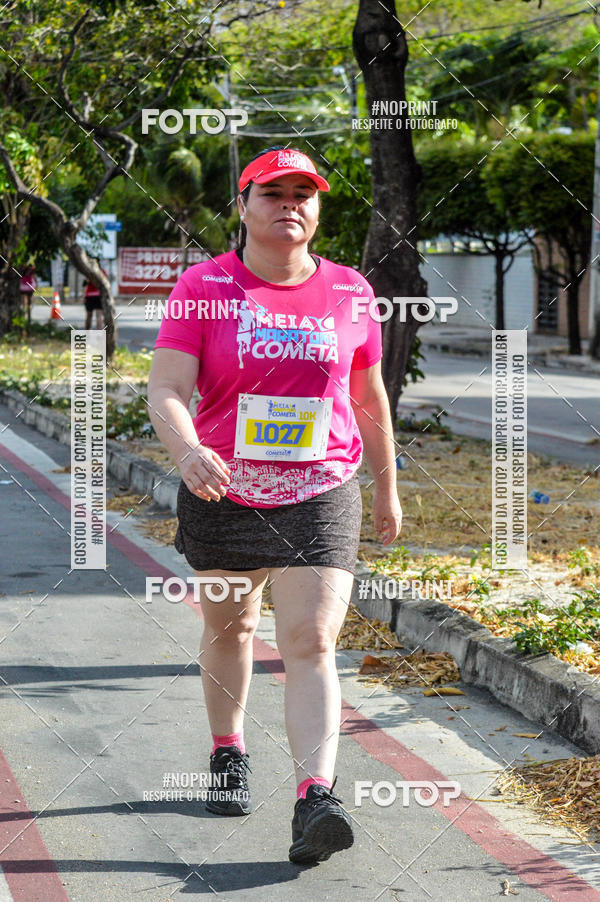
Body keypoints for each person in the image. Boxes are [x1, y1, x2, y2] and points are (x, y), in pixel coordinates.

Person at [148, 146, 402, 865]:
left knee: (311, 641)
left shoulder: (351, 292)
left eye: (304, 194)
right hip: (221, 488)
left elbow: (368, 396)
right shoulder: (205, 287)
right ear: (243, 205)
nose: (289, 204)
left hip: (321, 490)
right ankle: (229, 750)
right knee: (232, 631)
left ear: (318, 211)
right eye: (273, 192)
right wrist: (188, 450)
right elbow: (165, 388)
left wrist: (385, 484)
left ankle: (314, 797)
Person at [82, 264, 106, 330]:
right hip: (99, 296)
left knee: (89, 315)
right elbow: (105, 284)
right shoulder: (102, 272)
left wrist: (84, 296)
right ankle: (100, 334)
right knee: (99, 316)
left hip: (89, 296)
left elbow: (84, 284)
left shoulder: (89, 272)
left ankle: (87, 332)